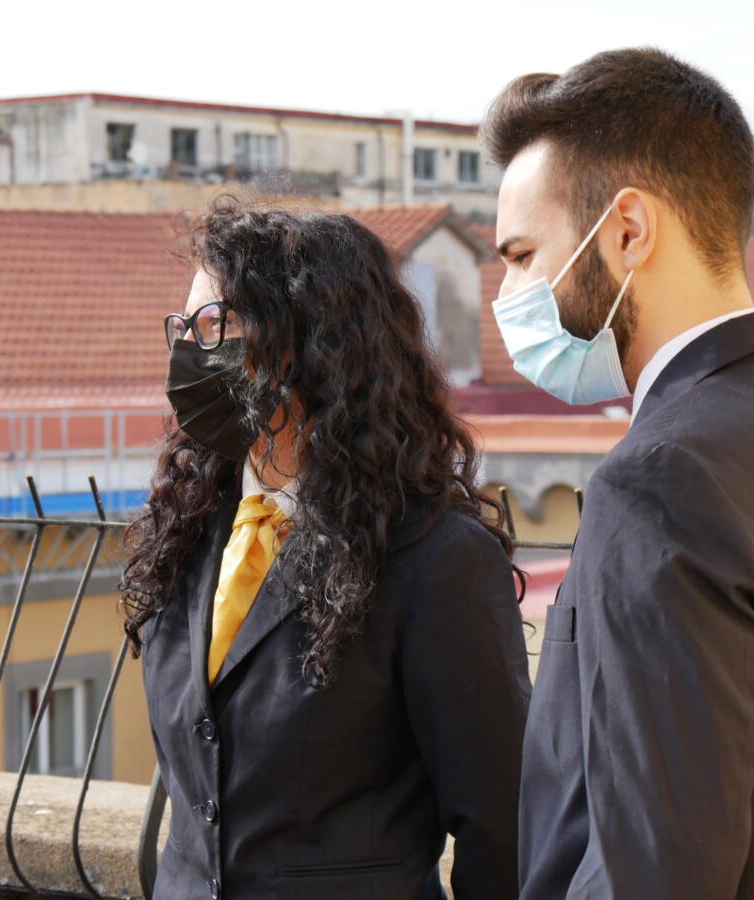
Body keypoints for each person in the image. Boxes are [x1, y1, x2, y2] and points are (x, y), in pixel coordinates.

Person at [122, 200, 531, 899]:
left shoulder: (436, 559)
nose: (189, 350)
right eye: (183, 328)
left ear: (312, 342)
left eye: (215, 324)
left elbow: (503, 823)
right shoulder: (186, 529)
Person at [485, 47, 754, 898]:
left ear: (629, 231)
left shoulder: (662, 479)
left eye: (522, 255)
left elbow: (660, 861)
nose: (507, 296)